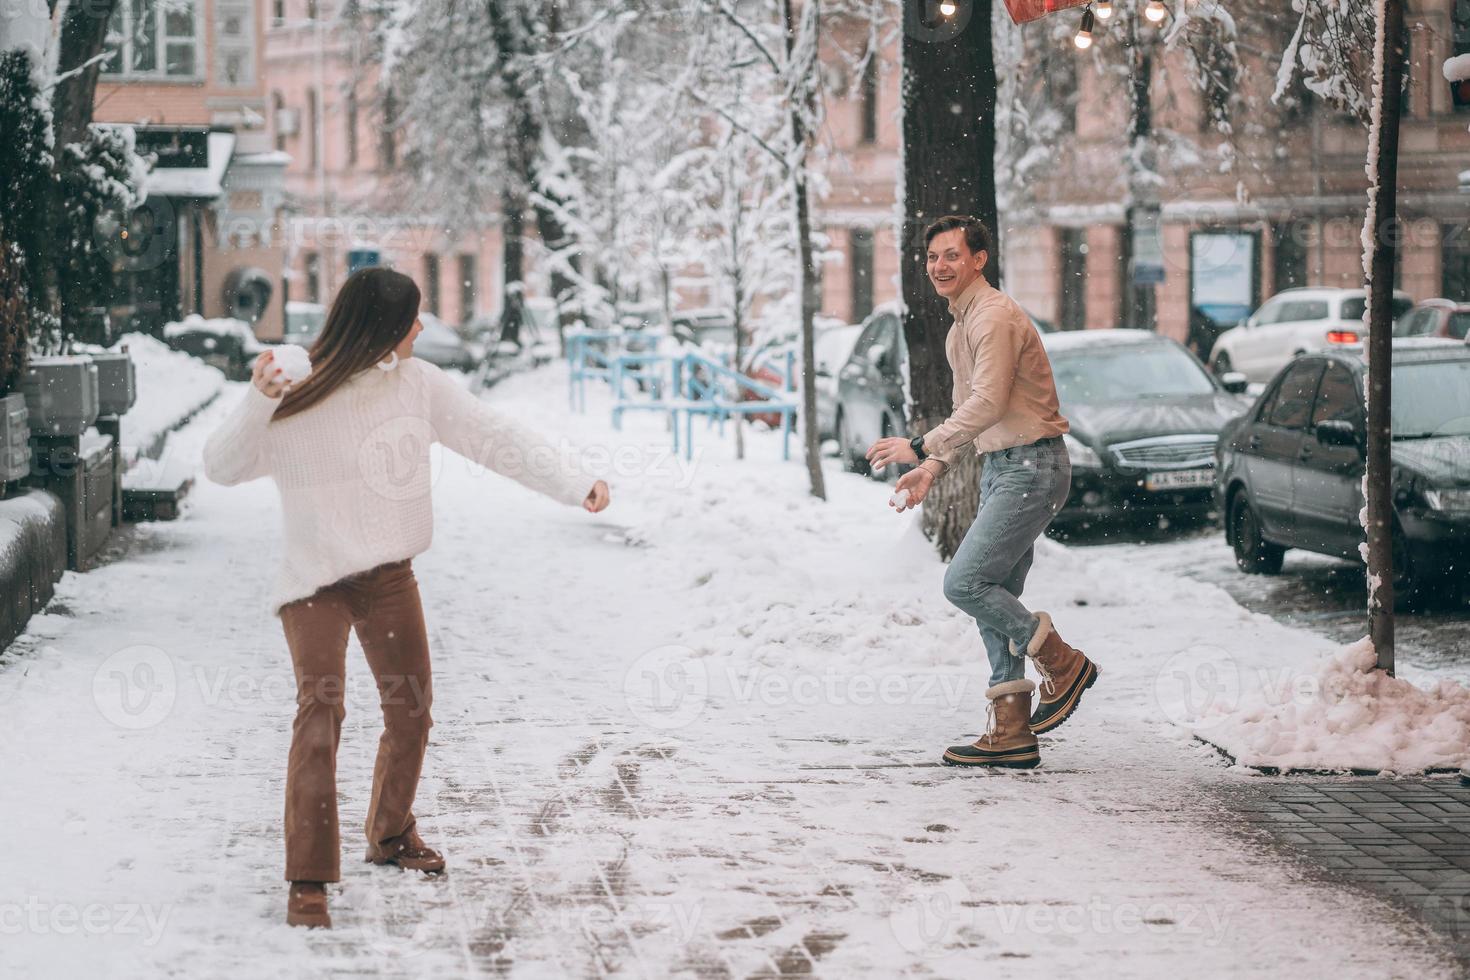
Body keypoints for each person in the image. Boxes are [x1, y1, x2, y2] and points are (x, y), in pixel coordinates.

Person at [203, 267, 609, 928]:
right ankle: (308, 878)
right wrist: (257, 401)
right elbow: (221, 467)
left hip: (389, 575)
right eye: (413, 318)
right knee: (321, 708)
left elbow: (493, 437)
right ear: (385, 330)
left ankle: (389, 834)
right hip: (314, 582)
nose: (422, 328)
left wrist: (574, 481)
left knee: (412, 710)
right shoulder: (296, 386)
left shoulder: (418, 386)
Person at [865, 215, 1098, 769]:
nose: (940, 266)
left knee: (964, 582)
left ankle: (1062, 662)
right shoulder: (960, 327)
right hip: (1005, 466)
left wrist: (920, 445)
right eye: (933, 258)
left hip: (1031, 468)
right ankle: (1012, 730)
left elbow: (990, 403)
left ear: (979, 259)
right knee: (991, 596)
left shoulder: (992, 317)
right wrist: (933, 468)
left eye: (952, 255)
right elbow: (973, 413)